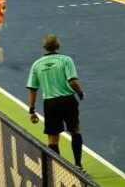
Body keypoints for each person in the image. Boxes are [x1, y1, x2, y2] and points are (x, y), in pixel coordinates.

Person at [27, 35, 85, 169]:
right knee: (75, 130)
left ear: (44, 47)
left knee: (53, 138)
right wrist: (80, 93)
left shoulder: (37, 64)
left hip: (50, 104)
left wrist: (32, 110)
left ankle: (57, 169)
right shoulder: (66, 60)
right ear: (58, 46)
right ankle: (78, 165)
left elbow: (32, 89)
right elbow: (73, 82)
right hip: (67, 101)